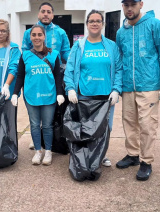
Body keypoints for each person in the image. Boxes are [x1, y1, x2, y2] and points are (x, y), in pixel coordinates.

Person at [116, 0, 160, 181]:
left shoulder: (154, 25)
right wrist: (117, 85)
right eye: (126, 5)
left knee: (147, 125)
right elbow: (119, 59)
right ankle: (133, 154)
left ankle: (146, 161)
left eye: (133, 4)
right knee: (129, 122)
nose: (129, 8)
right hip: (127, 86)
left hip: (149, 85)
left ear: (141, 4)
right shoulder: (120, 32)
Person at [64, 10, 122, 167]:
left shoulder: (111, 46)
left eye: (98, 21)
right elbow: (70, 69)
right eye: (91, 21)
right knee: (85, 127)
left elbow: (118, 69)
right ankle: (86, 155)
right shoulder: (79, 46)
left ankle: (101, 155)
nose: (95, 23)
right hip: (84, 95)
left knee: (104, 127)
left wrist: (116, 89)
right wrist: (70, 88)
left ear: (102, 24)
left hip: (105, 96)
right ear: (87, 24)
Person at [12, 25, 65, 166]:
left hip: (49, 96)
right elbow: (20, 76)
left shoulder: (54, 54)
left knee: (47, 125)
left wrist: (60, 93)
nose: (36, 37)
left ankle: (48, 151)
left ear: (44, 36)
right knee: (35, 125)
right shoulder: (25, 55)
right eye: (33, 35)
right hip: (31, 96)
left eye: (39, 35)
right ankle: (38, 151)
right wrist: (15, 93)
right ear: (30, 37)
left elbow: (58, 76)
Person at [22, 2, 71, 151]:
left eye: (49, 12)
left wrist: (69, 71)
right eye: (43, 11)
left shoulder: (61, 32)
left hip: (54, 76)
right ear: (38, 14)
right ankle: (36, 139)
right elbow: (24, 53)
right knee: (35, 108)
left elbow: (66, 53)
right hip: (35, 76)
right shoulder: (29, 32)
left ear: (53, 15)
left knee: (52, 110)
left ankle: (51, 140)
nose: (45, 14)